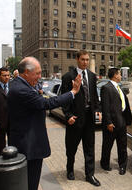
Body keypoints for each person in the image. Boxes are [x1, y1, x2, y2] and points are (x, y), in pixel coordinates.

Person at [8, 57, 81, 190]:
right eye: (37, 73)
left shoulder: (20, 85)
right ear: (26, 73)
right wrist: (73, 92)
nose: (40, 77)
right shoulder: (21, 89)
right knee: (31, 182)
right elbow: (46, 103)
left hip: (26, 141)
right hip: (28, 145)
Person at [61, 50, 101, 186]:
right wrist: (68, 115)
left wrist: (98, 110)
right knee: (71, 148)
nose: (85, 62)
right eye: (83, 59)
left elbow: (95, 96)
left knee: (89, 148)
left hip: (89, 118)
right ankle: (70, 169)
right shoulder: (68, 77)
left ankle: (90, 175)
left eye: (87, 60)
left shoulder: (92, 76)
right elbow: (64, 99)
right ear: (77, 59)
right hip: (75, 119)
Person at [100, 68, 132, 175]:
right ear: (114, 75)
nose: (120, 76)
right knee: (107, 145)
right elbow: (105, 107)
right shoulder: (106, 88)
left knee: (122, 146)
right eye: (119, 74)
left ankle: (122, 166)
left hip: (122, 122)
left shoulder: (120, 88)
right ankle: (104, 164)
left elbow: (124, 104)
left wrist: (127, 120)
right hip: (112, 124)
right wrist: (108, 122)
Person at [0, 67, 10, 157]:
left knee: (13, 145)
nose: (7, 77)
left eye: (8, 75)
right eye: (4, 75)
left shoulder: (13, 87)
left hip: (12, 122)